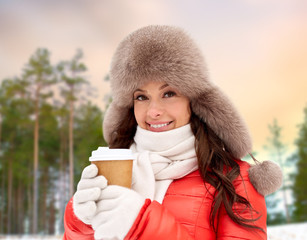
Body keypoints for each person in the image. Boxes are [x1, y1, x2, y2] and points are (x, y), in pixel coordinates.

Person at [63, 25, 282, 240]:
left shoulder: (236, 181)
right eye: (141, 97)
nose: (154, 111)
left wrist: (141, 224)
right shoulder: (116, 171)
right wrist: (80, 223)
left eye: (169, 93)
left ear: (194, 100)